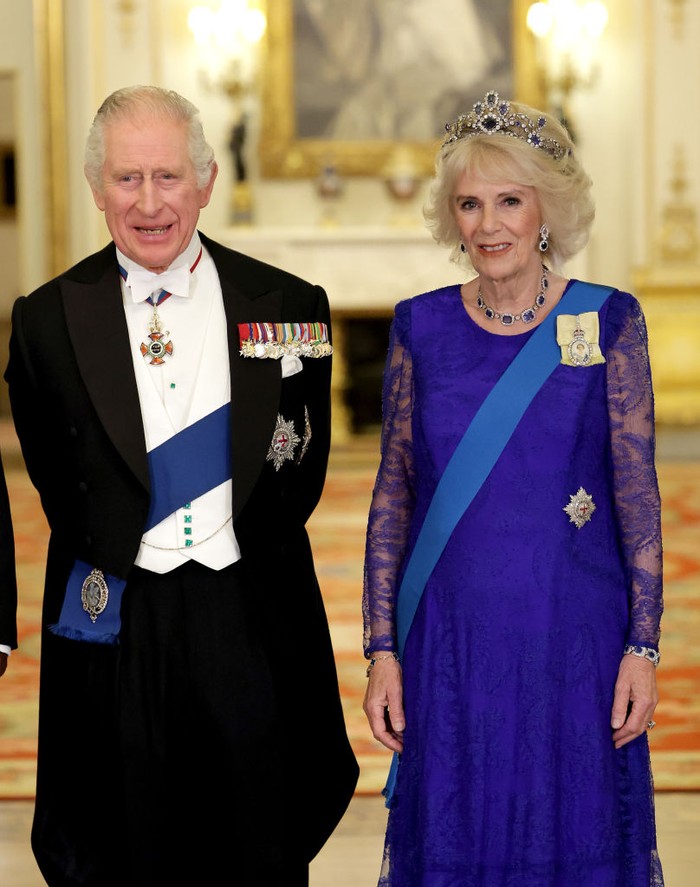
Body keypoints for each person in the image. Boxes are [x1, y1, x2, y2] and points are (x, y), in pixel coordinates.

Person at [4, 85, 358, 886]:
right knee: (123, 839)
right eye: (127, 179)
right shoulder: (47, 321)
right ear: (98, 190)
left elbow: (300, 470)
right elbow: (62, 485)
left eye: (168, 177)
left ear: (205, 180)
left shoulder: (290, 306)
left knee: (260, 838)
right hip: (119, 619)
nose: (150, 202)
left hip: (250, 612)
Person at [362, 90, 664, 886]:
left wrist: (642, 645)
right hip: (453, 644)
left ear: (546, 211)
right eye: (469, 203)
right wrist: (381, 651)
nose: (489, 224)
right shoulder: (419, 327)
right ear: (452, 217)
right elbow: (393, 494)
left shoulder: (608, 322)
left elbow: (636, 496)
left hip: (575, 642)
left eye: (509, 200)